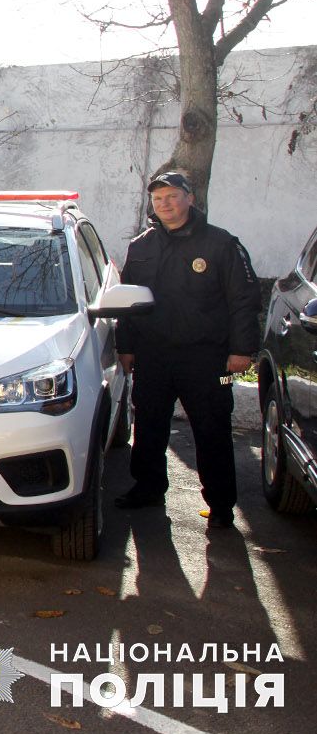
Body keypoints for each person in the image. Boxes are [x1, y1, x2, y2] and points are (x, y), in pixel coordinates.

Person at [114, 171, 260, 530]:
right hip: (154, 355)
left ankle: (222, 506)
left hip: (209, 357)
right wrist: (126, 347)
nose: (165, 203)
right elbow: (128, 302)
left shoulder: (221, 244)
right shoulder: (141, 246)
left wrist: (242, 351)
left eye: (173, 196)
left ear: (189, 198)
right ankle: (147, 488)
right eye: (158, 198)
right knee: (148, 426)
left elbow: (244, 300)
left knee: (212, 430)